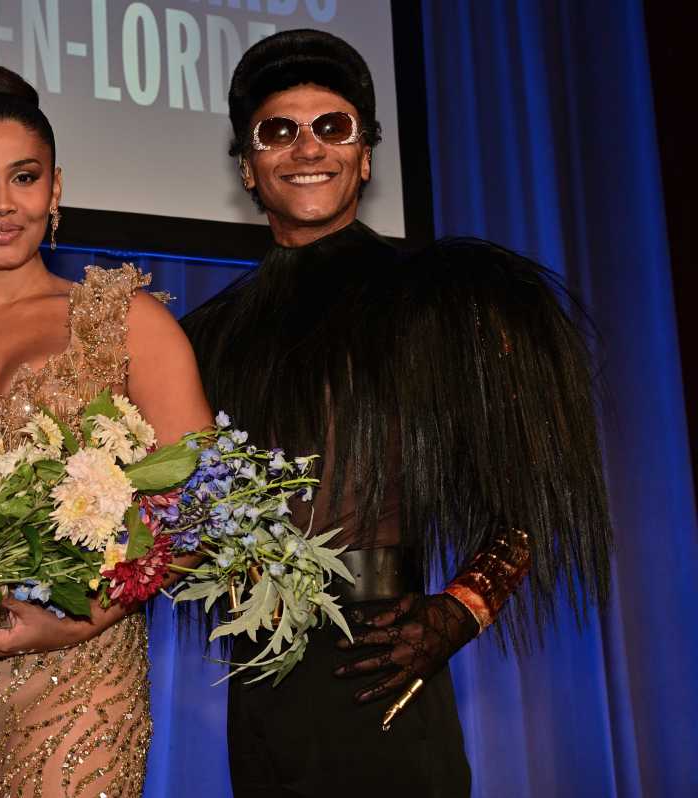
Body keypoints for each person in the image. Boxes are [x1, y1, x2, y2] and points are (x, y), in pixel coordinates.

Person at [181, 30, 612, 797]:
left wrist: (460, 611)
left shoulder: (442, 300)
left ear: (367, 156)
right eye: (278, 130)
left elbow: (526, 499)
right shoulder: (207, 340)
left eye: (332, 126)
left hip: (388, 664)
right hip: (263, 682)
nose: (306, 147)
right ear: (248, 167)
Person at [0, 65, 212, 797]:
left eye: (24, 178)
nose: (0, 204)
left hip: (81, 677)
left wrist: (76, 624)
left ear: (56, 189)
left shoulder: (124, 321)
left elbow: (198, 510)